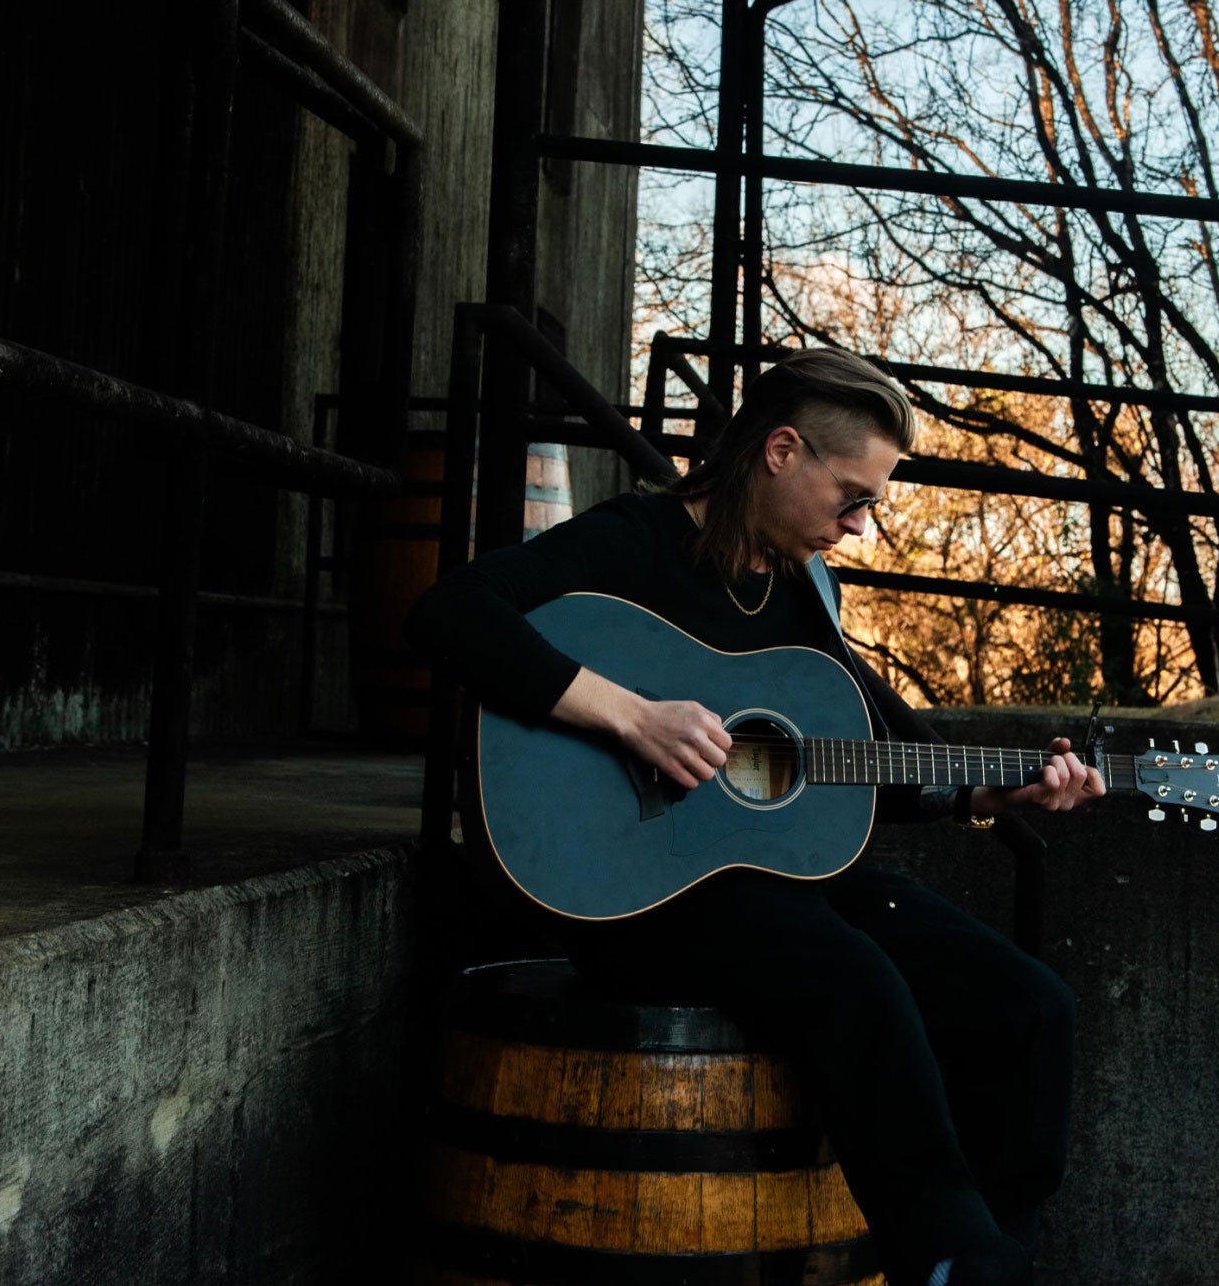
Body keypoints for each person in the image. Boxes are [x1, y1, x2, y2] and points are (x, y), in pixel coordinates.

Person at [405, 347, 1105, 1286]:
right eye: (852, 495)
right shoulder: (635, 540)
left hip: (774, 879)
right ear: (781, 450)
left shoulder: (801, 599)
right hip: (640, 885)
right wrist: (630, 714)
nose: (859, 526)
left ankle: (991, 1256)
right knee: (854, 980)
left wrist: (989, 794)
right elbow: (450, 611)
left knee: (1032, 1008)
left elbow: (856, 763)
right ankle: (949, 1260)